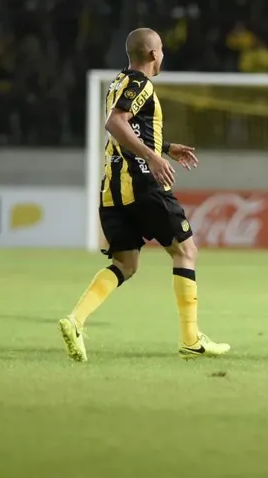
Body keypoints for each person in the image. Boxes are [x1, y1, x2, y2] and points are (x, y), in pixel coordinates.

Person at [58, 28, 230, 362]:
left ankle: (75, 320)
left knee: (126, 263)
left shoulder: (118, 83)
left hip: (112, 191)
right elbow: (115, 123)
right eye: (161, 49)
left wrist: (164, 147)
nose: (163, 55)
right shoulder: (142, 84)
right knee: (186, 250)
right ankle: (191, 339)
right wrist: (153, 157)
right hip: (141, 185)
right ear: (153, 54)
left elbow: (130, 129)